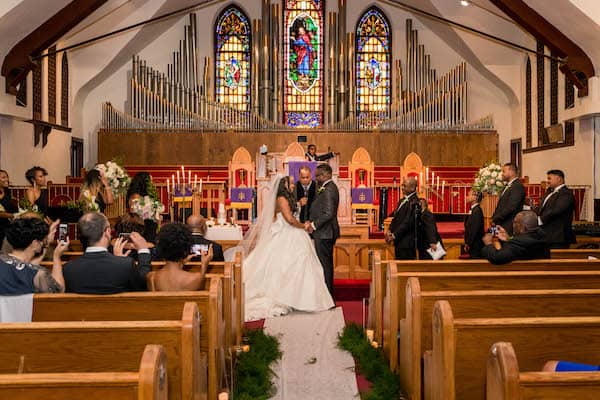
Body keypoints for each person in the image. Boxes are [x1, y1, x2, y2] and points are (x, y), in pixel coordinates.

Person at [242, 175, 334, 321]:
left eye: (292, 183)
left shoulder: (287, 198)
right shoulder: (281, 198)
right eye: (289, 183)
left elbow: (291, 214)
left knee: (302, 265)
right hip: (286, 234)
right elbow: (290, 220)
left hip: (293, 234)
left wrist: (298, 205)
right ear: (282, 185)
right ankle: (286, 297)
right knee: (286, 266)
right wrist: (304, 226)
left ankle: (301, 298)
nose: (292, 185)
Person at [63, 212, 151, 294]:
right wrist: (143, 251)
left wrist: (120, 261)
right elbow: (143, 286)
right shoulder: (126, 265)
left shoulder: (68, 269)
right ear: (107, 232)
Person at [0, 218, 67, 294]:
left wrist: (46, 244)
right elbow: (59, 291)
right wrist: (57, 256)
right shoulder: (38, 274)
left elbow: (24, 266)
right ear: (35, 244)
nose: (43, 243)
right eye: (42, 241)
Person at [146, 223, 213, 291]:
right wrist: (204, 266)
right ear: (185, 250)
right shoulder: (195, 278)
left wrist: (182, 262)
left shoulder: (151, 277)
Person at [307, 164, 340, 298]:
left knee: (325, 266)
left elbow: (328, 213)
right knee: (325, 265)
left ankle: (327, 296)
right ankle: (326, 296)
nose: (316, 178)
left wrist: (314, 225)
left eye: (318, 175)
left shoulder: (329, 189)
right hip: (325, 232)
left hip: (325, 233)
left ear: (326, 175)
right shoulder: (326, 187)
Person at [481, 210, 550, 265]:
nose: (513, 225)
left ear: (522, 228)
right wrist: (509, 239)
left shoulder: (517, 244)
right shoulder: (543, 238)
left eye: (515, 222)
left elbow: (497, 258)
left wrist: (488, 243)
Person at [535, 169, 576, 249]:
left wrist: (540, 220)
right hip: (545, 235)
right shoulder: (549, 192)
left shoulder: (566, 193)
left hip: (558, 237)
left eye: (549, 178)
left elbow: (557, 210)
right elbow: (540, 208)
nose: (547, 181)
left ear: (559, 179)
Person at [386, 177, 420, 260]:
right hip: (399, 241)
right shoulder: (402, 201)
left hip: (407, 243)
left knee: (405, 269)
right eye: (402, 185)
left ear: (412, 188)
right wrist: (389, 230)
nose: (402, 188)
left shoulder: (415, 202)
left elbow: (408, 223)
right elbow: (395, 218)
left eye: (404, 186)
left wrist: (394, 235)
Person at [492, 162, 525, 235]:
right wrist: (494, 219)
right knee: (493, 240)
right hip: (499, 223)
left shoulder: (517, 186)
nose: (502, 174)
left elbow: (511, 207)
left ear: (511, 172)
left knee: (503, 244)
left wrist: (497, 217)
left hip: (507, 225)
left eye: (504, 171)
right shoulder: (508, 185)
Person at [126, 171, 159, 243]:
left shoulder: (146, 195)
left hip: (148, 222)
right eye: (150, 181)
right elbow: (133, 211)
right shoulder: (135, 195)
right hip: (141, 224)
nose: (152, 183)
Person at [464, 190, 485, 258]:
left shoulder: (477, 211)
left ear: (475, 198)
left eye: (468, 195)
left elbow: (474, 230)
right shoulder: (473, 209)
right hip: (473, 244)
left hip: (476, 245)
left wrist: (468, 243)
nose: (466, 197)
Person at [0, 170, 17, 246]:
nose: (7, 179)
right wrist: (15, 215)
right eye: (3, 177)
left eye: (7, 177)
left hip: (8, 227)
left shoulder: (7, 191)